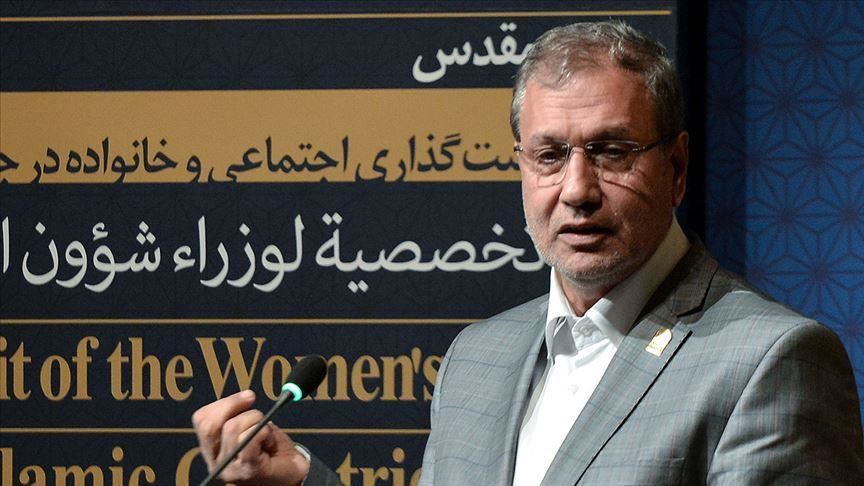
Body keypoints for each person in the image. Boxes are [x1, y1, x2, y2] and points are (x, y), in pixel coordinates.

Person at [192, 20, 864, 485]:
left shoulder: (768, 361)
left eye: (612, 151)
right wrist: (300, 479)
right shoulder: (477, 357)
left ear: (677, 168)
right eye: (549, 155)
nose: (577, 190)